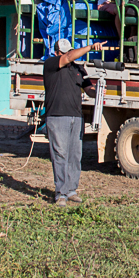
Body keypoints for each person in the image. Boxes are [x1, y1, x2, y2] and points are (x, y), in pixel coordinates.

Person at [44, 38, 105, 207]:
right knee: (60, 154)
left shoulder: (78, 69)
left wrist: (98, 90)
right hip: (57, 115)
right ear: (57, 53)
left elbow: (88, 89)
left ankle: (71, 190)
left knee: (75, 155)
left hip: (76, 116)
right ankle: (61, 192)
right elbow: (67, 58)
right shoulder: (51, 64)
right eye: (63, 53)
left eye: (68, 51)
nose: (67, 55)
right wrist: (91, 47)